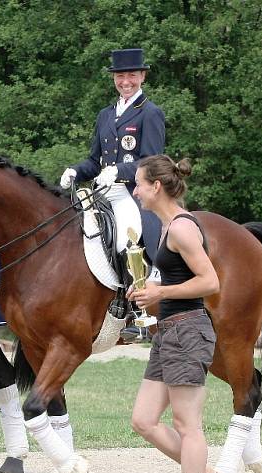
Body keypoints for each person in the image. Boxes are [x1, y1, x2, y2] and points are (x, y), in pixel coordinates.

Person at [127, 155, 226, 473]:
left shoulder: (183, 228)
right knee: (143, 420)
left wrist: (161, 291)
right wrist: (152, 293)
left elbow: (210, 282)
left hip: (187, 329)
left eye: (138, 184)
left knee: (188, 425)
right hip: (169, 331)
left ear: (156, 187)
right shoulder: (167, 228)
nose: (135, 191)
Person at [60, 48, 165, 338]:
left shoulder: (150, 113)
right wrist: (75, 171)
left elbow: (152, 159)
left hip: (136, 191)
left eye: (132, 75)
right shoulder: (106, 115)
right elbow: (95, 161)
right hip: (103, 190)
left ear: (142, 76)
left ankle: (136, 311)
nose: (126, 81)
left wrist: (120, 171)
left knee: (126, 235)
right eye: (120, 76)